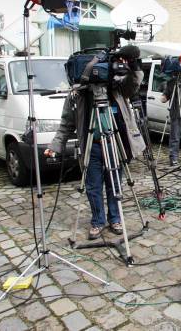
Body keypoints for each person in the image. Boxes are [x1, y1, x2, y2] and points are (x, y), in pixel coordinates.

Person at [45, 46, 145, 240]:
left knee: (114, 183)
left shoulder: (116, 88)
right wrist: (54, 146)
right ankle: (97, 221)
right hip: (92, 145)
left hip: (115, 143)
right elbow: (66, 123)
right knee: (93, 186)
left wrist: (134, 64)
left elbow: (133, 84)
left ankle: (115, 218)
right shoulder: (78, 95)